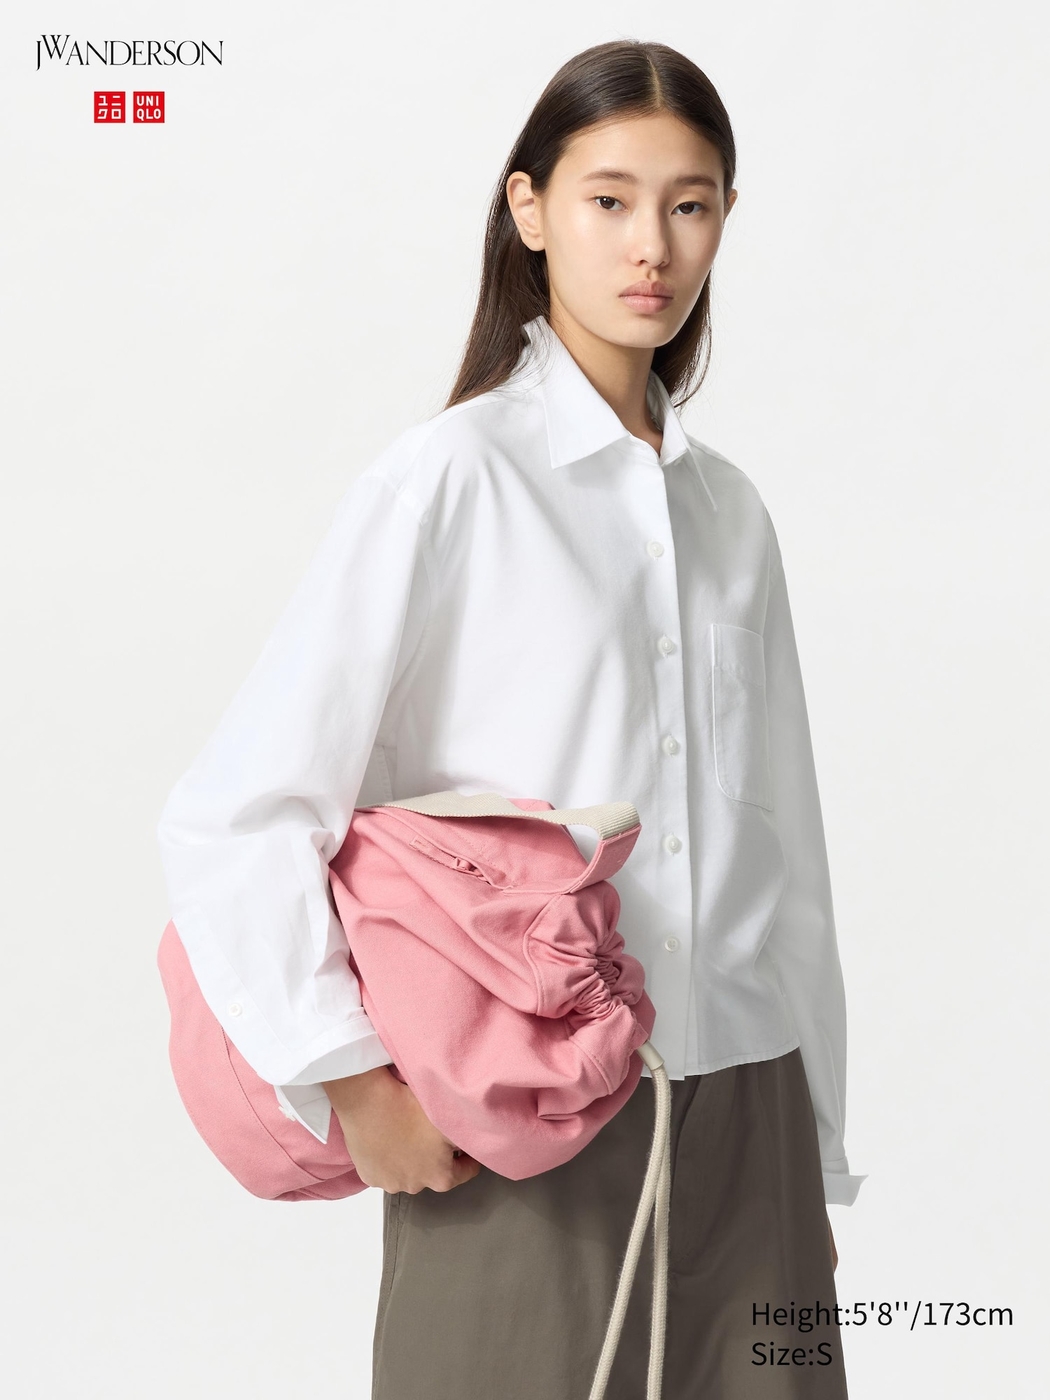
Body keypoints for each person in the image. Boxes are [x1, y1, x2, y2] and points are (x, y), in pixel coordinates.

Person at [157, 37, 864, 1400]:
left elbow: (790, 850)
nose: (651, 243)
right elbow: (240, 812)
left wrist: (812, 1148)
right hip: (525, 1126)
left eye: (689, 203)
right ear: (529, 209)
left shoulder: (730, 516)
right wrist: (352, 1081)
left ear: (724, 217)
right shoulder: (448, 482)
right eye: (608, 199)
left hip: (750, 1112)